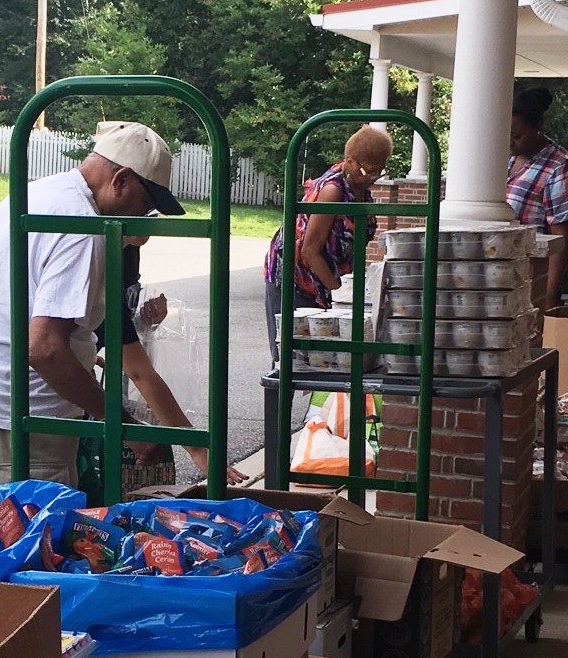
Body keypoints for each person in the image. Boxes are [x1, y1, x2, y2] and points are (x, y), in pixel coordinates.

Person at [0, 120, 184, 487]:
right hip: (17, 415)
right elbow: (44, 350)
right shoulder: (82, 227)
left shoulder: (37, 194)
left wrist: (81, 355)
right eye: (144, 206)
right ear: (121, 179)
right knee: (24, 536)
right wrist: (121, 424)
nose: (143, 220)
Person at [97, 237, 246, 485]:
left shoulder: (113, 262)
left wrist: (144, 325)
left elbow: (116, 344)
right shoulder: (97, 272)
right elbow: (139, 372)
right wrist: (197, 449)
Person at [264, 125, 394, 347]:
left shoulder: (358, 186)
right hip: (297, 279)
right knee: (296, 355)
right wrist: (339, 294)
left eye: (379, 171)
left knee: (333, 357)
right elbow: (309, 250)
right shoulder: (333, 191)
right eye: (368, 171)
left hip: (327, 281)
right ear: (350, 161)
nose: (373, 177)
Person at [507, 85, 568, 306]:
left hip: (531, 274)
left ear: (538, 127)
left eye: (517, 135)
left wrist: (549, 295)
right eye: (506, 134)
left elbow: (562, 235)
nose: (511, 142)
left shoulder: (559, 165)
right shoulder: (505, 157)